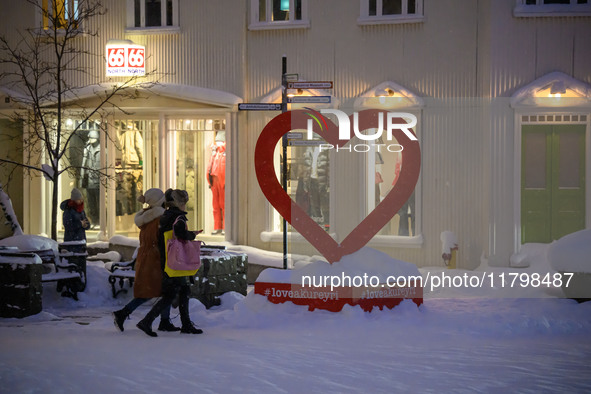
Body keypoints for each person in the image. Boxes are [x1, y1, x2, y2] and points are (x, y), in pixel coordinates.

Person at [136, 189, 203, 337]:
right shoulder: (178, 216)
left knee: (181, 291)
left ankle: (185, 324)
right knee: (172, 294)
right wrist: (191, 235)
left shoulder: (165, 215)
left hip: (167, 259)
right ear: (179, 203)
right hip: (176, 261)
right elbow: (180, 234)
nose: (185, 206)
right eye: (184, 203)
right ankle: (147, 321)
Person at [112, 188, 179, 333]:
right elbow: (161, 240)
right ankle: (123, 313)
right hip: (155, 258)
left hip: (146, 257)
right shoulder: (159, 219)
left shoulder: (146, 217)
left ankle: (164, 321)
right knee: (153, 291)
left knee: (160, 290)